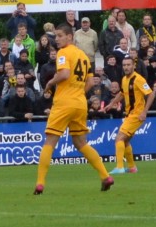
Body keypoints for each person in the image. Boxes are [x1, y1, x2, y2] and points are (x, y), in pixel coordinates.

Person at [34, 24, 113, 195]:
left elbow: (64, 74)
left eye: (60, 35)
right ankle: (105, 176)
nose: (57, 39)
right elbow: (91, 82)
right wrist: (78, 93)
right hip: (80, 103)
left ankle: (40, 183)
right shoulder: (84, 56)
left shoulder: (64, 52)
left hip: (64, 102)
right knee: (80, 143)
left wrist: (49, 83)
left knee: (50, 141)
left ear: (70, 37)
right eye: (56, 36)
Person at [105, 54, 154, 175]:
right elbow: (122, 93)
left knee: (119, 138)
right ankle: (132, 167)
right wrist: (111, 104)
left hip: (136, 114)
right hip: (129, 114)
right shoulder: (124, 79)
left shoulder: (138, 79)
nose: (126, 67)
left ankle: (120, 167)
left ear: (133, 66)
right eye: (124, 65)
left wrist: (144, 112)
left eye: (128, 65)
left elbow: (151, 94)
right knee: (125, 141)